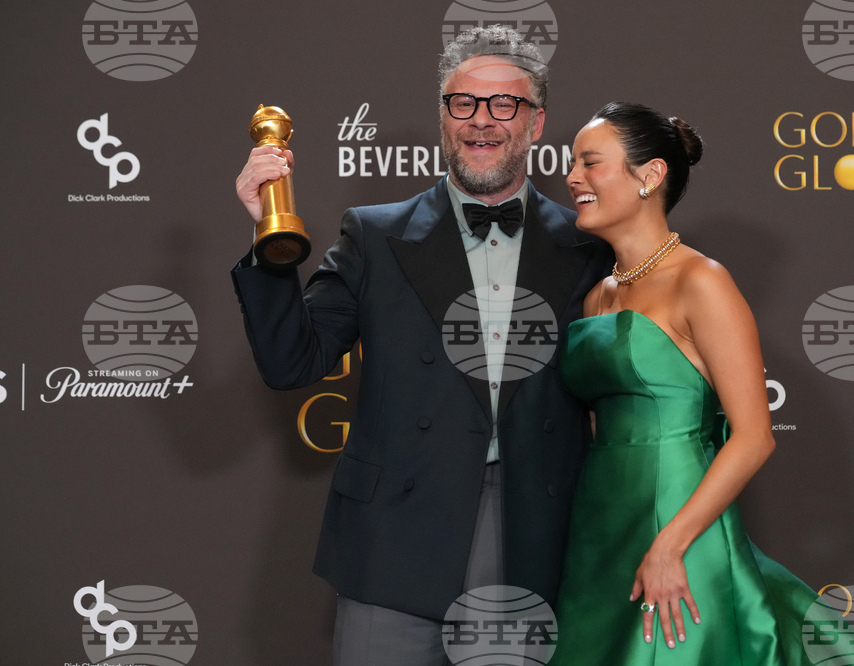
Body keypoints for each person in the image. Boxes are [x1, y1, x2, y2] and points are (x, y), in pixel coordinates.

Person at [231, 26, 610, 666]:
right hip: (394, 534)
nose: (481, 122)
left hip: (530, 528)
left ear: (537, 123)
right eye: (463, 103)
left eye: (503, 105)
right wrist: (270, 245)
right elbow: (291, 361)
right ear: (443, 114)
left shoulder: (590, 244)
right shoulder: (373, 235)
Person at [551, 102, 854, 665]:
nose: (572, 178)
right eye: (573, 163)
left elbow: (754, 435)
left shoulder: (701, 281)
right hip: (600, 529)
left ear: (651, 175)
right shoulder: (598, 295)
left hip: (676, 525)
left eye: (590, 163)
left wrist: (672, 543)